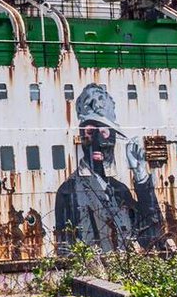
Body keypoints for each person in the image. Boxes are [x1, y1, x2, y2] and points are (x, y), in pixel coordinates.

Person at [55, 84, 162, 251]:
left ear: (112, 137)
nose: (98, 140)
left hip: (125, 271)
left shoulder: (120, 190)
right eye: (91, 132)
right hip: (93, 274)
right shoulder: (69, 191)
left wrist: (141, 176)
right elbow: (65, 250)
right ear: (81, 136)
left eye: (104, 132)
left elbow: (152, 237)